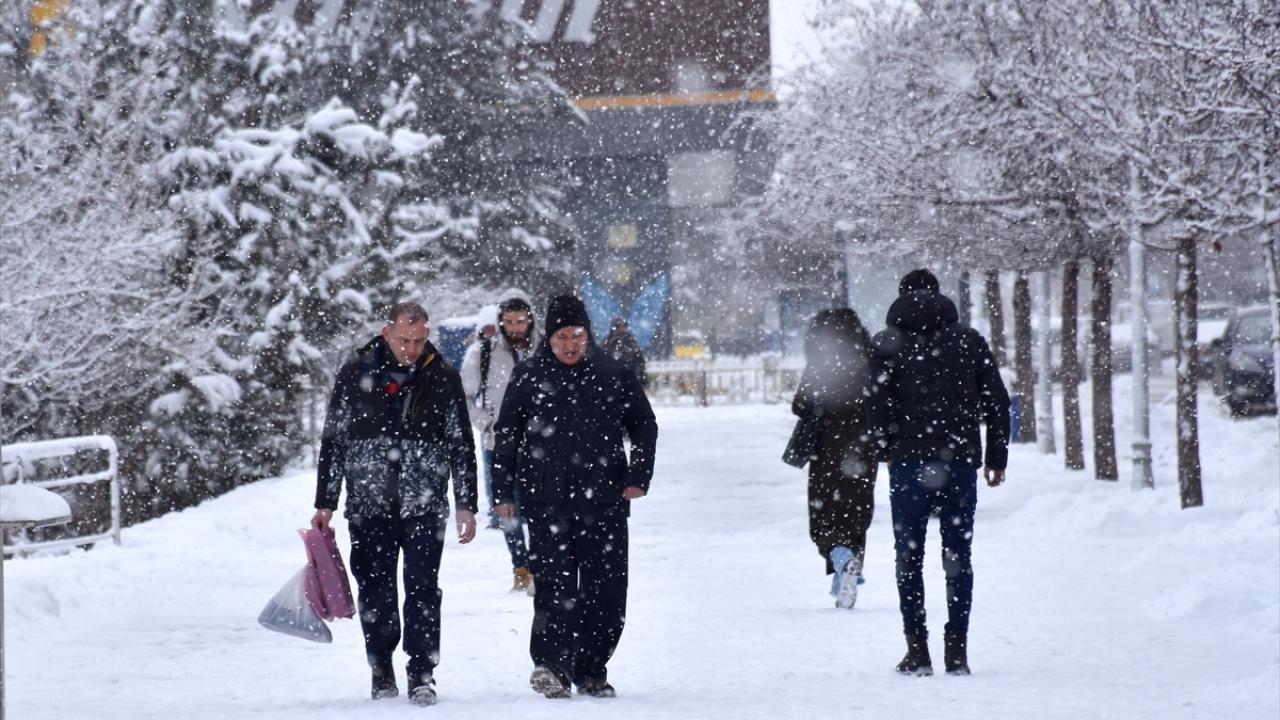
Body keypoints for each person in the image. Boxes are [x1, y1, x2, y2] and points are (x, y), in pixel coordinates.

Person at [492, 294, 658, 700]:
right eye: (561, 337)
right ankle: (551, 666)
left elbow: (644, 424)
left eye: (577, 336)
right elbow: (507, 435)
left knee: (606, 592)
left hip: (604, 500)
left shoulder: (613, 372)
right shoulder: (529, 376)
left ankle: (592, 669)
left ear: (588, 334)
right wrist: (502, 491)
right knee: (554, 588)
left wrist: (638, 475)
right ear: (548, 337)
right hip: (545, 500)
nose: (570, 344)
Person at [312, 302, 478, 706]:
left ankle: (422, 673)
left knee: (423, 589)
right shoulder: (355, 374)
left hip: (425, 504)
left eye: (419, 340)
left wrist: (466, 503)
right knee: (376, 591)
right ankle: (381, 667)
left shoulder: (443, 377)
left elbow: (461, 443)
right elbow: (334, 440)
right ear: (387, 332)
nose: (411, 348)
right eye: (404, 339)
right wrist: (326, 501)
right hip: (369, 505)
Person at [865, 269, 1010, 677]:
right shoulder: (969, 341)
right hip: (959, 460)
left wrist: (885, 449)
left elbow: (874, 403)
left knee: (908, 555)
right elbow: (997, 401)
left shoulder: (887, 344)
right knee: (957, 554)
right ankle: (957, 650)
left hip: (908, 463)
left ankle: (917, 650)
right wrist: (996, 458)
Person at [792, 308, 877, 609]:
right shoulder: (870, 360)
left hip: (827, 449)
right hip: (864, 450)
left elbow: (800, 405)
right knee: (856, 513)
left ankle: (842, 561)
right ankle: (844, 577)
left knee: (824, 516)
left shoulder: (822, 362)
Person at [460, 296, 538, 593]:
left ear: (530, 320)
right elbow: (463, 396)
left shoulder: (544, 350)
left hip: (540, 444)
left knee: (542, 508)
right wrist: (486, 422)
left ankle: (541, 565)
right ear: (500, 322)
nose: (516, 327)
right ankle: (521, 567)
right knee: (507, 509)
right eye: (510, 321)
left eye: (521, 321)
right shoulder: (482, 353)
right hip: (498, 443)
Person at [602, 316, 648, 388]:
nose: (622, 329)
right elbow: (602, 362)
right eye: (618, 326)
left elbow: (640, 362)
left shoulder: (631, 342)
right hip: (612, 382)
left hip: (630, 381)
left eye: (624, 326)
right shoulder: (607, 343)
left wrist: (641, 379)